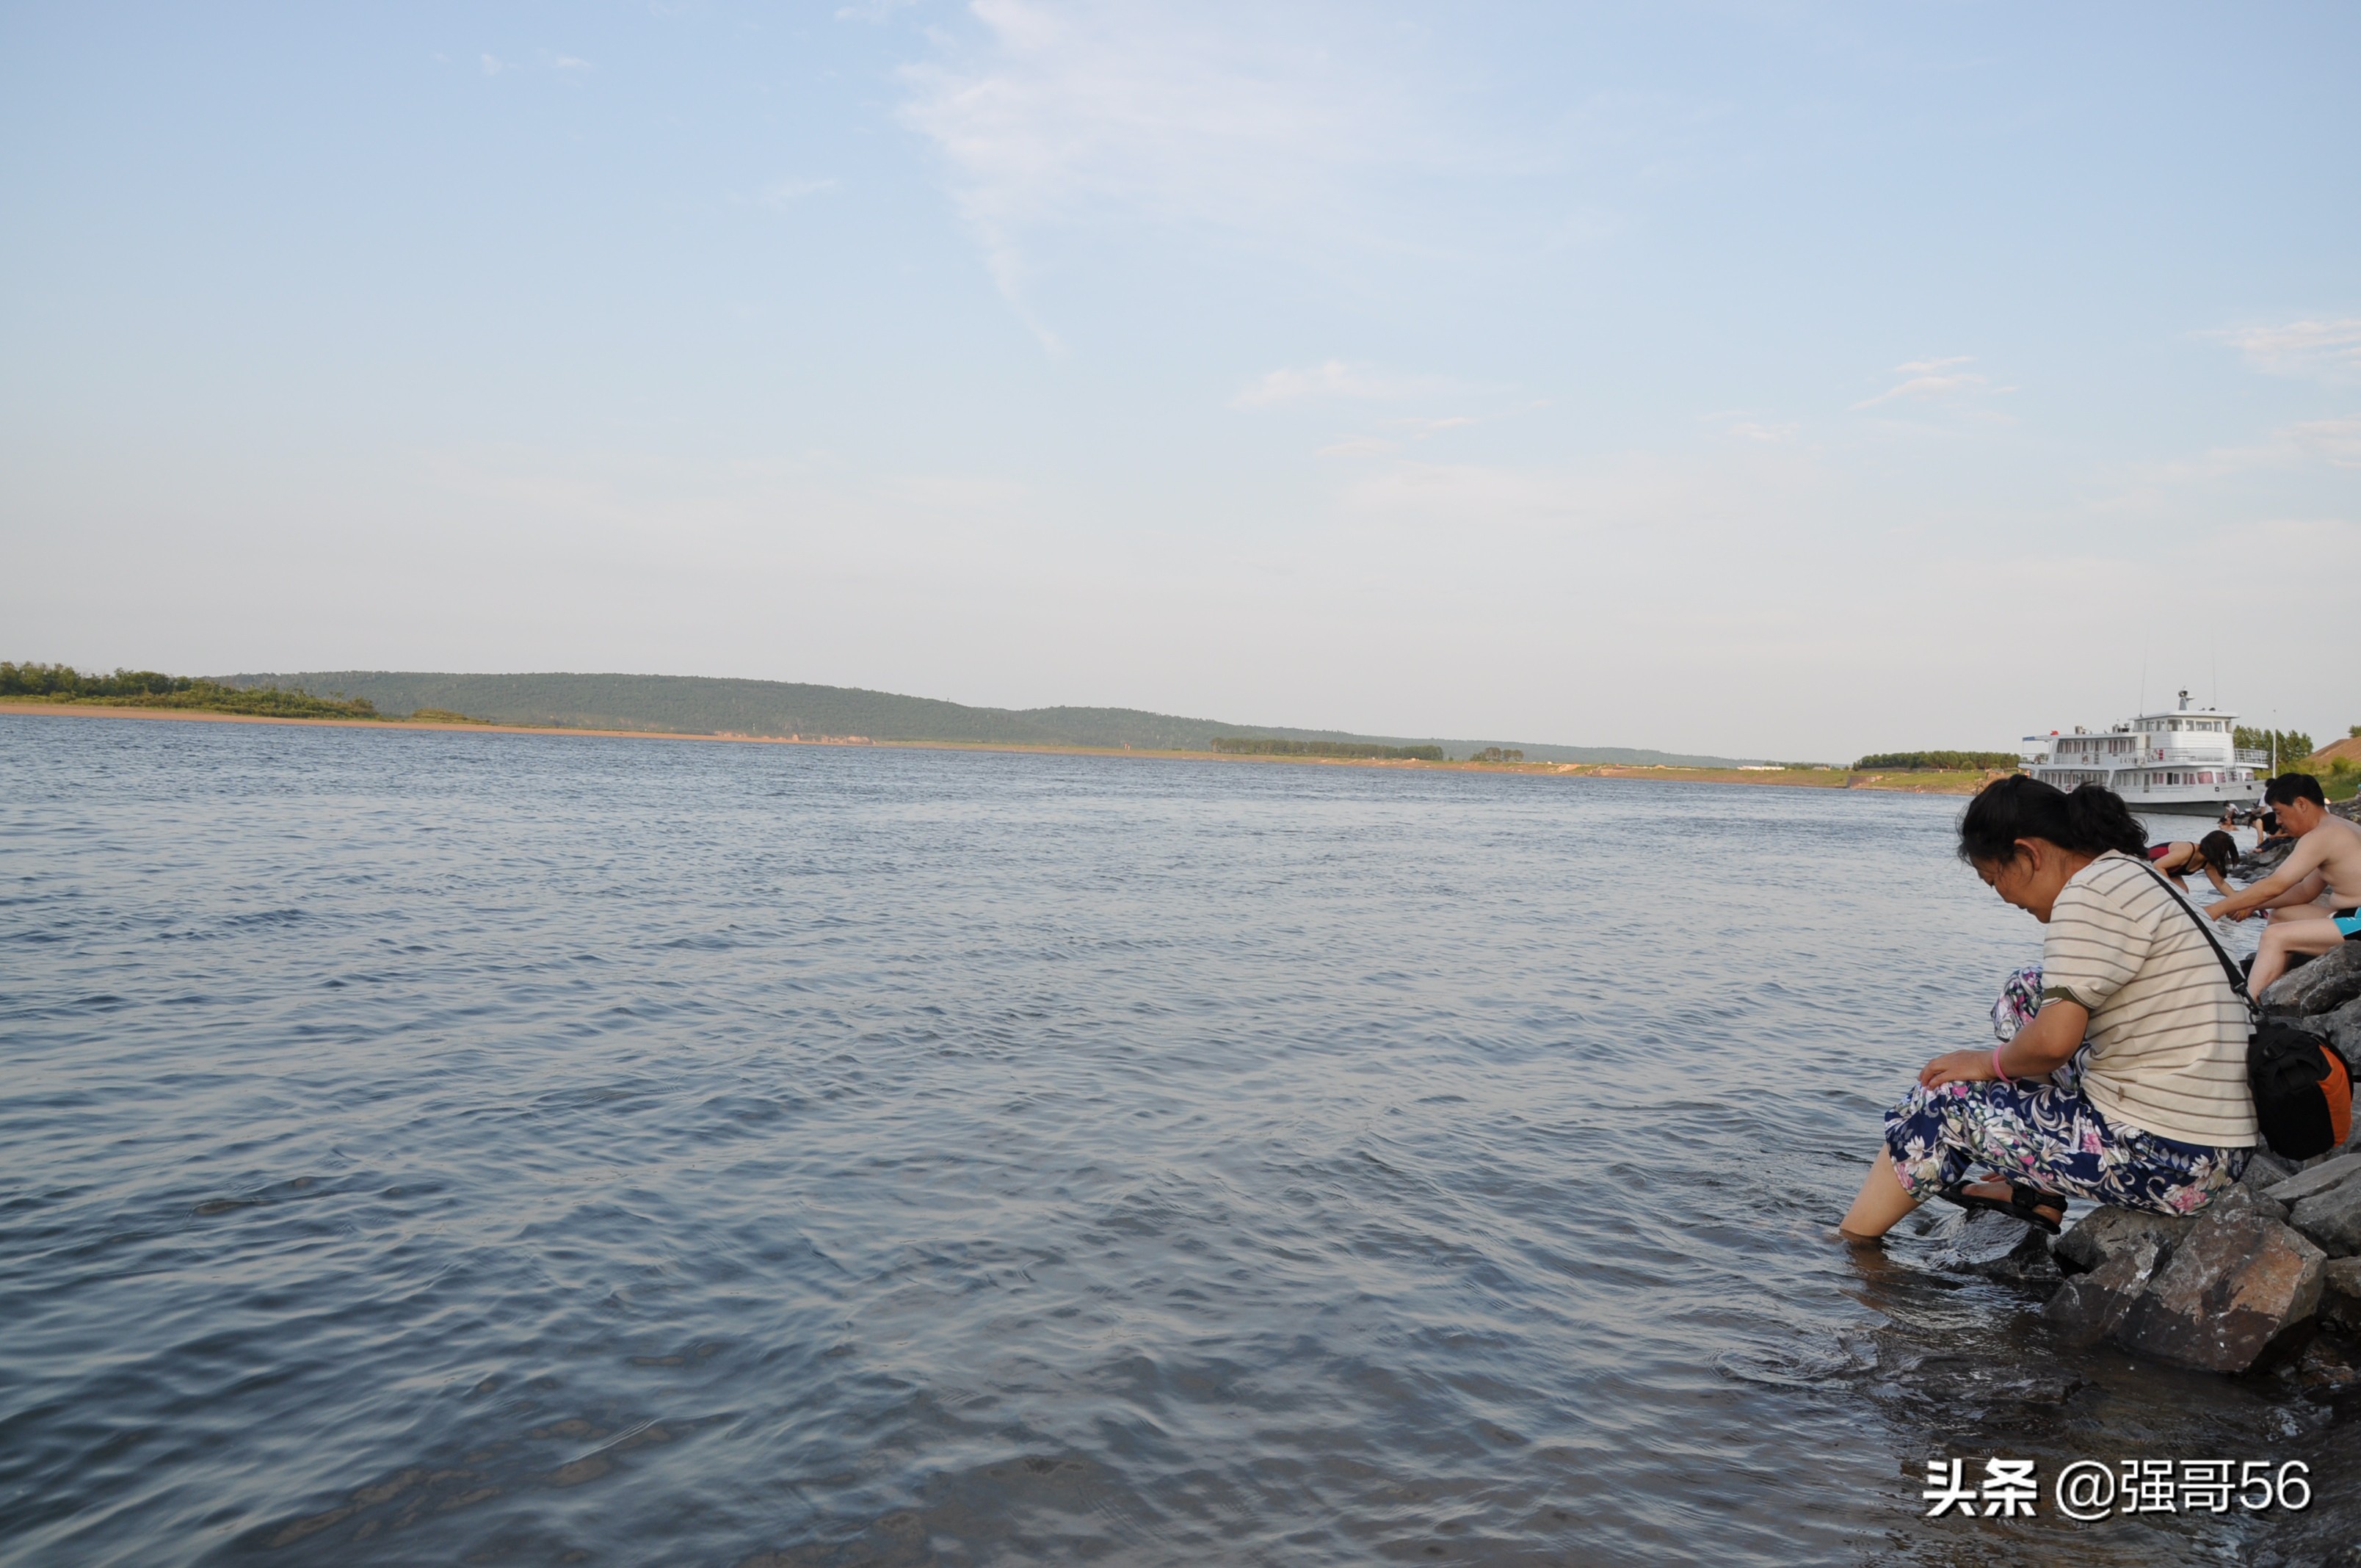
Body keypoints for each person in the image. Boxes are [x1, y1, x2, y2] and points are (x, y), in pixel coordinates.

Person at [1839, 777, 2253, 1242]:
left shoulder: (2087, 894)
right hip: (2213, 1142)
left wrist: (1983, 1065)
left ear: (2028, 854)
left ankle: (1851, 1245)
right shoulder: (2133, 874)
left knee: (1941, 1103)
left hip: (2174, 1160)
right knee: (2027, 990)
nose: (2003, 897)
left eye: (1994, 878)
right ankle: (2034, 1189)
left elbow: (2054, 1043)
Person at [2210, 773, 2361, 991]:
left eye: (2280, 813)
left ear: (2301, 804)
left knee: (2275, 936)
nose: (2278, 821)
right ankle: (2273, 984)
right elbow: (2305, 891)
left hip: (2357, 920)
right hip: (2352, 916)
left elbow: (2276, 884)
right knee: (2282, 916)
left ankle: (2251, 1007)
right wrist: (2251, 904)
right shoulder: (2339, 828)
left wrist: (2216, 909)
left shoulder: (2322, 836)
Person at [2145, 832, 2239, 896]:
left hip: (2168, 871)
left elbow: (2221, 884)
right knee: (2174, 893)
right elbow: (2158, 865)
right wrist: (2170, 889)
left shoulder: (2208, 863)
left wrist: (2239, 902)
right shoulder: (2187, 850)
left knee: (2183, 894)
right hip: (2146, 864)